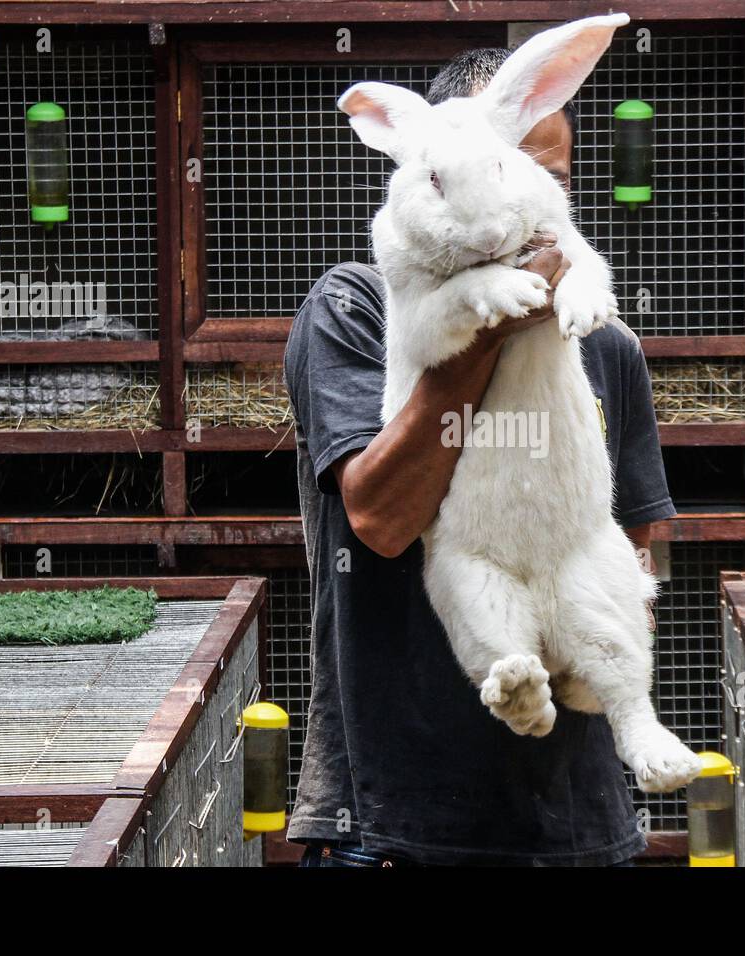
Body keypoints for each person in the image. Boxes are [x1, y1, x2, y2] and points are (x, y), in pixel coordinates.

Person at [283, 46, 676, 867]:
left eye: (551, 173)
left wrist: (605, 649)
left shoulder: (603, 341)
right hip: (399, 815)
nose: (524, 214)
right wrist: (485, 324)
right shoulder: (356, 309)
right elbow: (381, 519)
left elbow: (638, 540)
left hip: (573, 818)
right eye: (517, 163)